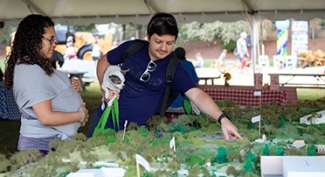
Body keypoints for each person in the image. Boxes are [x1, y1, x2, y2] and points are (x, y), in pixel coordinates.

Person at [88, 12, 241, 140]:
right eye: (158, 42)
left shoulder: (174, 67)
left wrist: (223, 119)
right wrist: (104, 88)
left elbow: (197, 95)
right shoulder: (132, 48)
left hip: (137, 132)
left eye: (169, 43)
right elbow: (104, 61)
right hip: (105, 119)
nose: (163, 48)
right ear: (148, 37)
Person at [4, 14, 89, 153]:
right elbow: (46, 117)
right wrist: (80, 115)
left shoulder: (33, 66)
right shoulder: (30, 71)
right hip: (41, 146)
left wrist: (71, 86)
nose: (54, 44)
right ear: (34, 40)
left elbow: (51, 87)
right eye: (50, 39)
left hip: (48, 143)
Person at [169, 47, 199, 112]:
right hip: (186, 105)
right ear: (184, 55)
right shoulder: (189, 64)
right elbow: (195, 83)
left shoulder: (170, 65)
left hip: (170, 104)